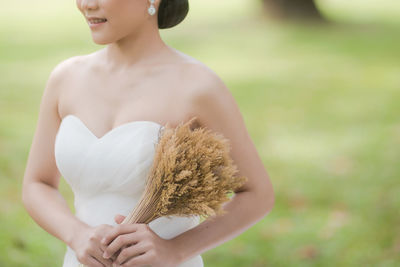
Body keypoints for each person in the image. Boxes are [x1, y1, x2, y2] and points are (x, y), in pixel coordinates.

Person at [21, 0, 275, 266]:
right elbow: (37, 184)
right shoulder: (66, 78)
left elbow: (257, 193)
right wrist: (77, 235)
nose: (86, 4)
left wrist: (174, 250)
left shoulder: (198, 87)